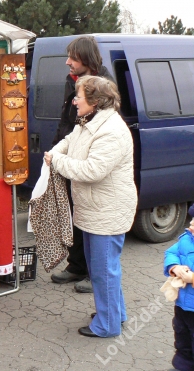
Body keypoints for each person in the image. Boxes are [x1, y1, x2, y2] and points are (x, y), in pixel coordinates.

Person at [44, 75, 137, 337]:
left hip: (107, 211)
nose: (74, 101)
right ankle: (114, 314)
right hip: (95, 210)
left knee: (103, 270)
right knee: (103, 268)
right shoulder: (90, 122)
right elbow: (70, 141)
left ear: (95, 101)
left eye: (79, 97)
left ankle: (107, 326)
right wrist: (56, 152)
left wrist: (57, 163)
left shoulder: (111, 131)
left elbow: (93, 170)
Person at [50, 36, 115, 294]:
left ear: (86, 60)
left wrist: (75, 160)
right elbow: (67, 122)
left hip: (90, 163)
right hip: (72, 159)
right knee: (75, 214)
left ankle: (94, 273)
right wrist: (55, 151)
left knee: (93, 220)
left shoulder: (103, 87)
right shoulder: (73, 81)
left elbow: (97, 132)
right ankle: (76, 265)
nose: (67, 62)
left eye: (73, 59)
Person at [163, 208, 194, 371]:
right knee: (182, 335)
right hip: (183, 305)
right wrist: (174, 267)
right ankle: (182, 366)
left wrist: (192, 278)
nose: (191, 223)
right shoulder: (186, 239)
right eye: (192, 219)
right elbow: (172, 252)